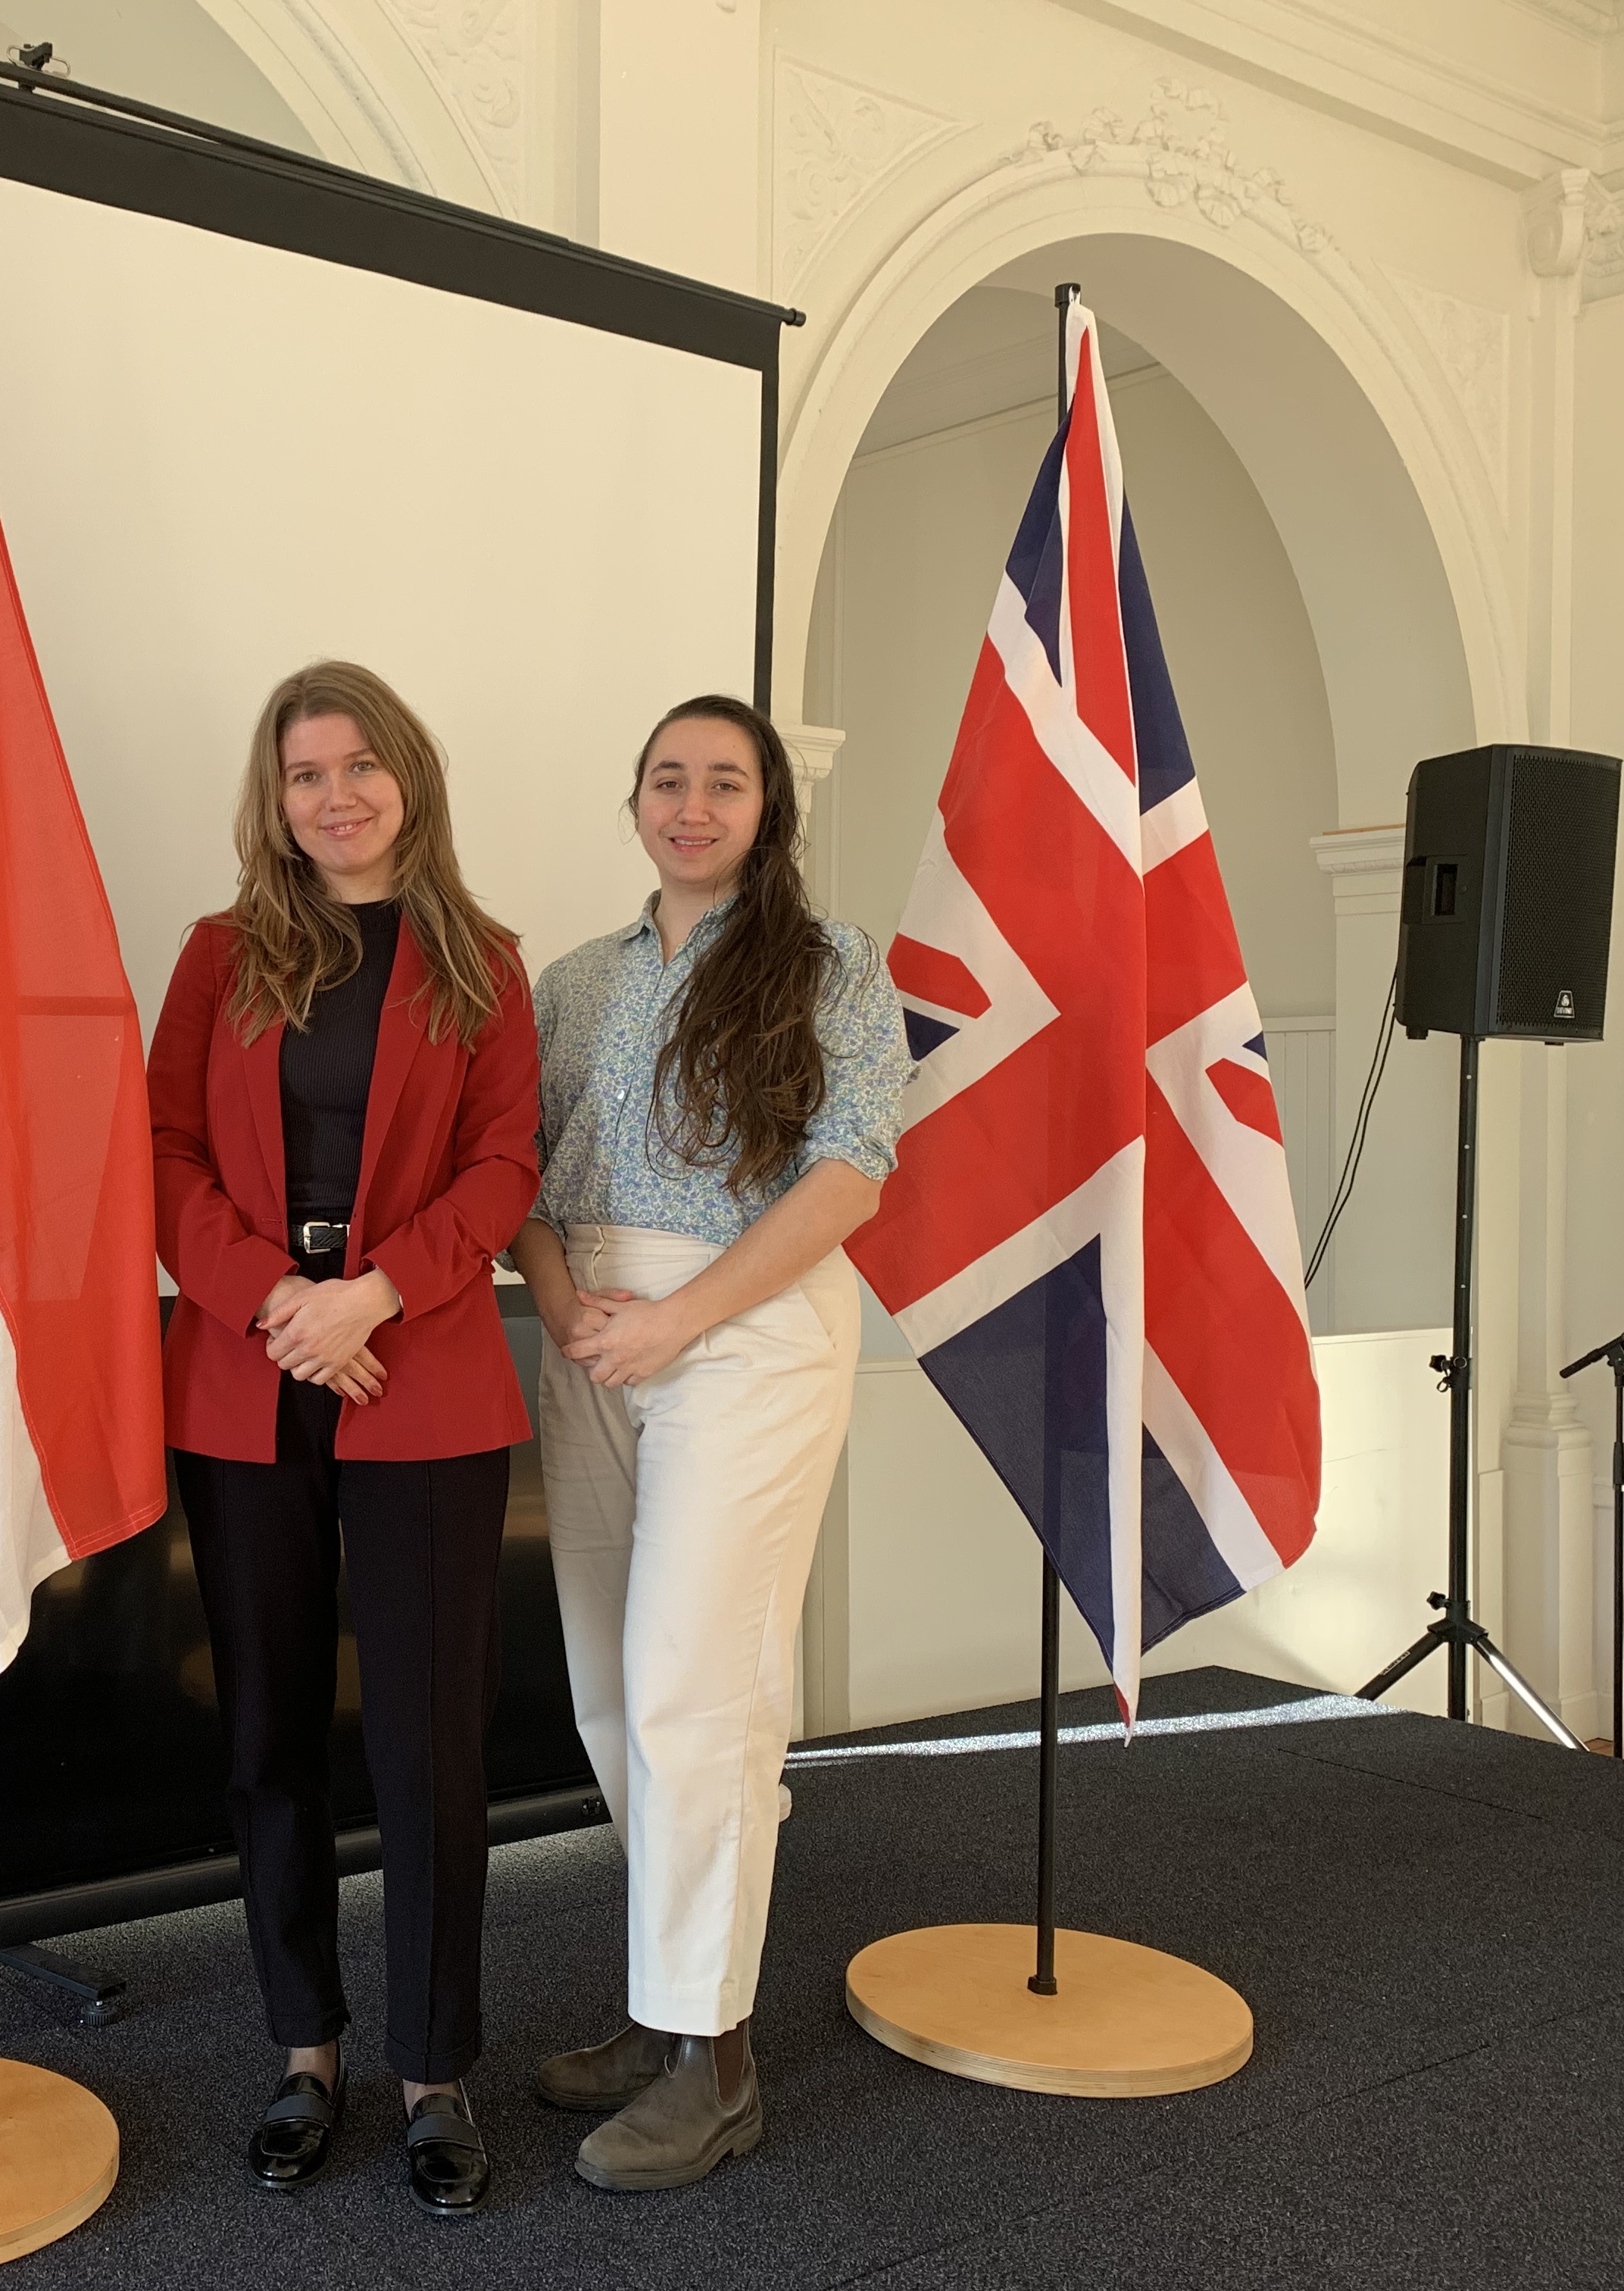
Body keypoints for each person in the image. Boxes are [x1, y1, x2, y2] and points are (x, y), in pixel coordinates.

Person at [148, 661, 539, 2219]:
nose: (337, 795)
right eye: (307, 773)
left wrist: (373, 1293)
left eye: (362, 765)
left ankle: (435, 2073)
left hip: (421, 1373)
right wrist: (278, 1306)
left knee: (430, 1748)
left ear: (410, 780)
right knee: (268, 1736)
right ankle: (303, 2051)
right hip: (251, 1380)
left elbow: (509, 1162)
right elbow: (165, 1152)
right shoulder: (220, 955)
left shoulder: (484, 962)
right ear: (276, 798)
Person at [509, 694, 907, 2192]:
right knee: (615, 1691)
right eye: (668, 781)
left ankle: (718, 2067)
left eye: (724, 783)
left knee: (701, 1690)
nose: (693, 805)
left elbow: (850, 1177)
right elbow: (523, 1181)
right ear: (635, 805)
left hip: (747, 1334)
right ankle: (669, 2001)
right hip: (591, 1332)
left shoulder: (829, 969)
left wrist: (677, 1325)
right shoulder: (572, 984)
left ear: (767, 810)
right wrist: (563, 1307)